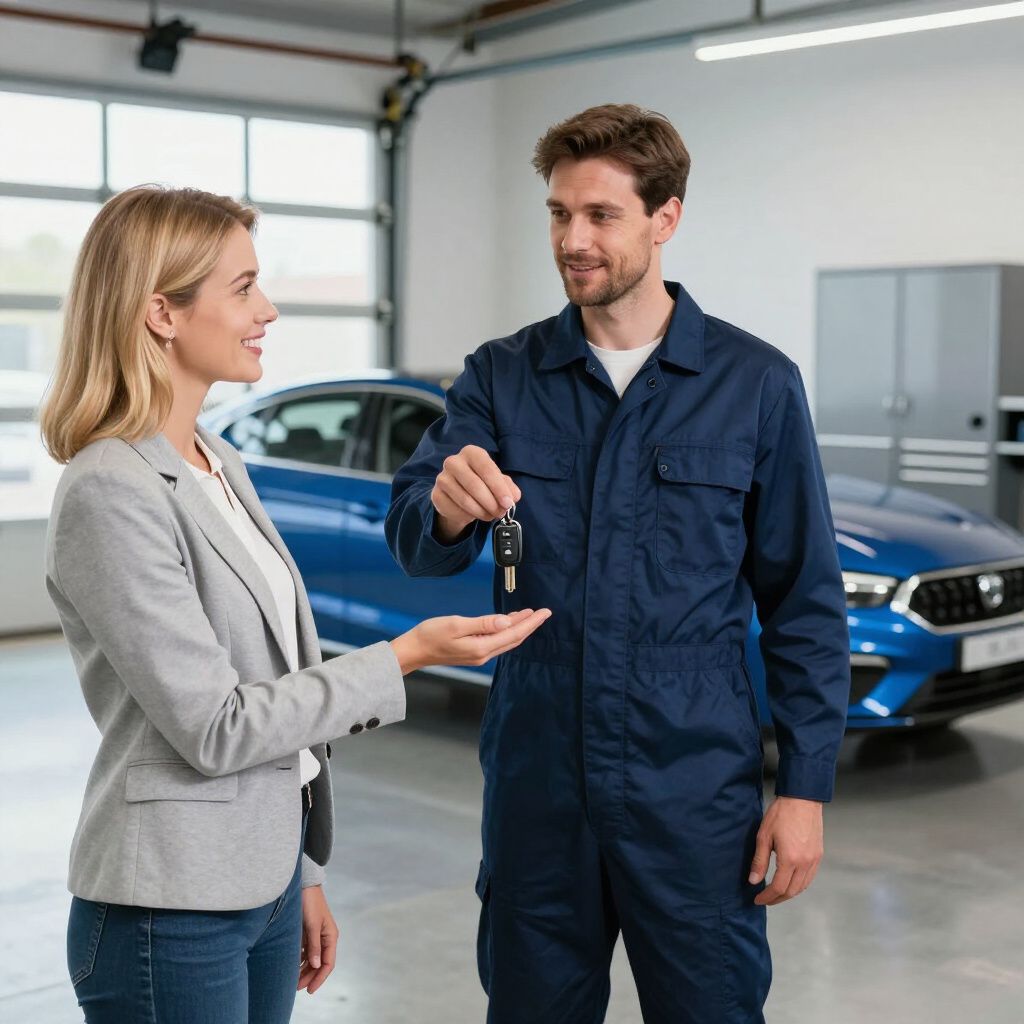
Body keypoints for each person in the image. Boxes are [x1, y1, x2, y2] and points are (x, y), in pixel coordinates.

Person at [40, 184, 551, 1024]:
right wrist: (408, 656)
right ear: (161, 313)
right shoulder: (110, 490)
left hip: (264, 882)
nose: (267, 310)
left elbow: (279, 678)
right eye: (242, 289)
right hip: (168, 907)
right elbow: (217, 726)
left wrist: (300, 875)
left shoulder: (214, 460)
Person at [386, 104, 850, 1023]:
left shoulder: (753, 385)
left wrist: (803, 788)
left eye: (600, 215)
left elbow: (802, 599)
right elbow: (416, 543)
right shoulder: (501, 376)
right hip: (537, 786)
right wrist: (441, 507)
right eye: (559, 214)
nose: (572, 239)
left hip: (692, 789)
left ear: (664, 218)